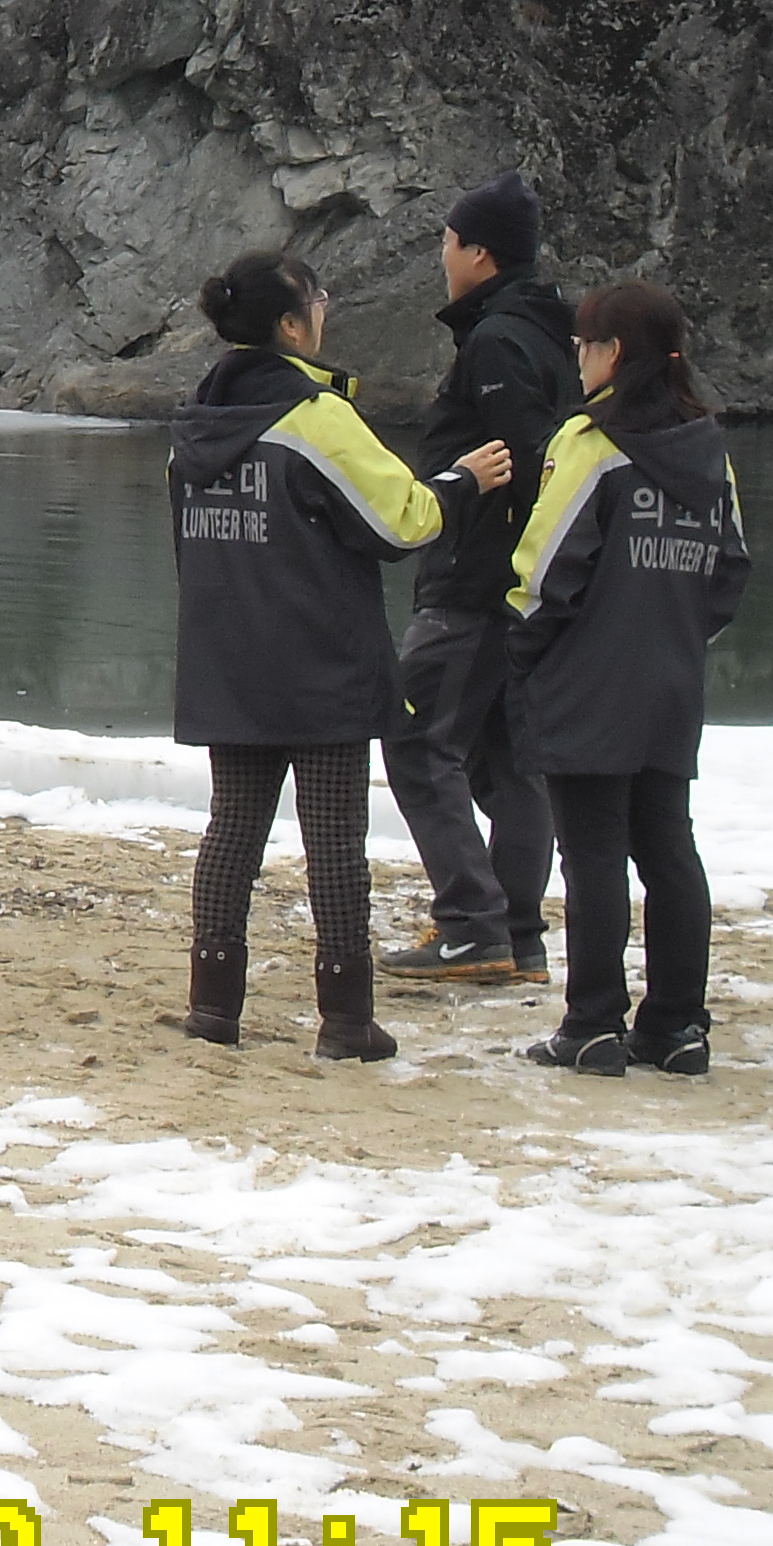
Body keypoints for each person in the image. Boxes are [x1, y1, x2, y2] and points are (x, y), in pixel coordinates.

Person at [166, 251, 511, 1058]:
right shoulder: (315, 417)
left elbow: (188, 549)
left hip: (228, 661)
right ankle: (347, 1021)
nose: (325, 310)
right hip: (322, 665)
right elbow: (401, 521)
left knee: (232, 832)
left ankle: (213, 1009)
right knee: (333, 844)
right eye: (317, 300)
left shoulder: (192, 427)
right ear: (292, 326)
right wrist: (463, 483)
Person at [505, 283, 750, 1076]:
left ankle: (593, 1024)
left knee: (594, 854)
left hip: (588, 678)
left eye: (583, 345)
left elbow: (547, 570)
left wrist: (523, 650)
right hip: (671, 680)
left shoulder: (590, 443)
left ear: (610, 353)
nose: (577, 359)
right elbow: (730, 572)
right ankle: (677, 1025)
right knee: (669, 848)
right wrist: (672, 635)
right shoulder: (708, 450)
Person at [379, 173, 578, 986]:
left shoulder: (496, 341)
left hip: (475, 583)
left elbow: (530, 460)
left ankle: (472, 924)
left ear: (479, 253)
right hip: (524, 587)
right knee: (508, 759)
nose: (442, 256)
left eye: (448, 241)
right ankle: (517, 935)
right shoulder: (552, 333)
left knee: (416, 739)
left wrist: (472, 513)